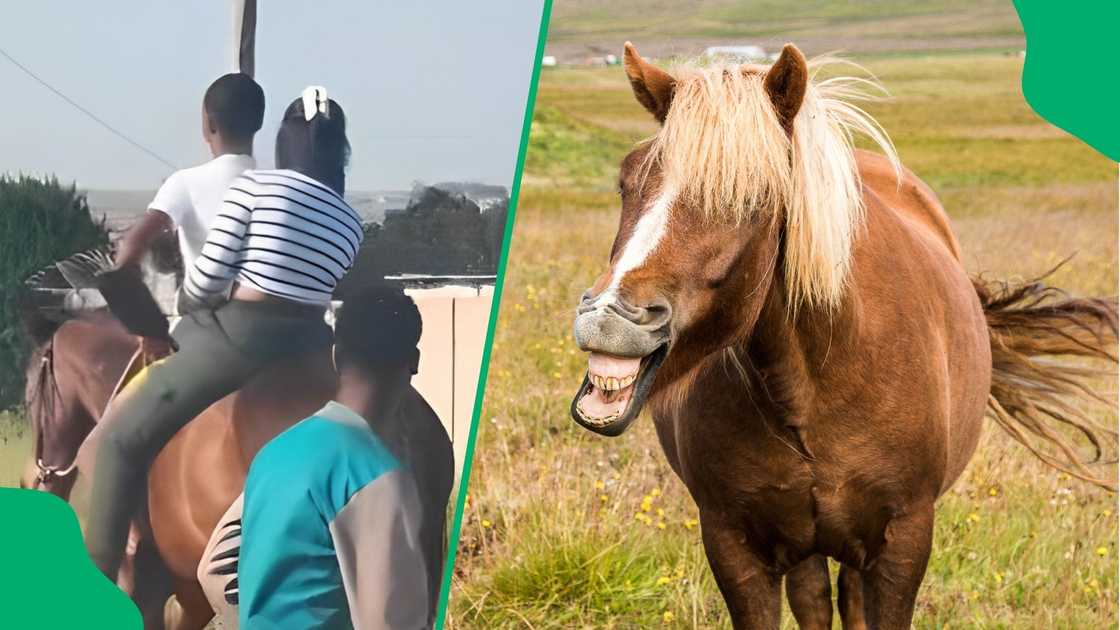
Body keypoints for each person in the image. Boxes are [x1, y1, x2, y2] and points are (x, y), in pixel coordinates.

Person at [86, 87, 364, 579]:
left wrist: (190, 309)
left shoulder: (257, 188)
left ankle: (92, 587)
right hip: (315, 345)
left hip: (239, 338)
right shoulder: (350, 221)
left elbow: (207, 280)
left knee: (118, 439)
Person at [238, 286, 429, 629]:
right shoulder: (379, 476)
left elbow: (209, 570)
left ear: (337, 356)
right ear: (413, 363)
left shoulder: (272, 454)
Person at [115, 73, 264, 357]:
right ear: (257, 124)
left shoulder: (184, 183)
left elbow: (129, 250)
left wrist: (150, 328)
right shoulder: (274, 185)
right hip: (269, 336)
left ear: (209, 125)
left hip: (203, 337)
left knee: (132, 404)